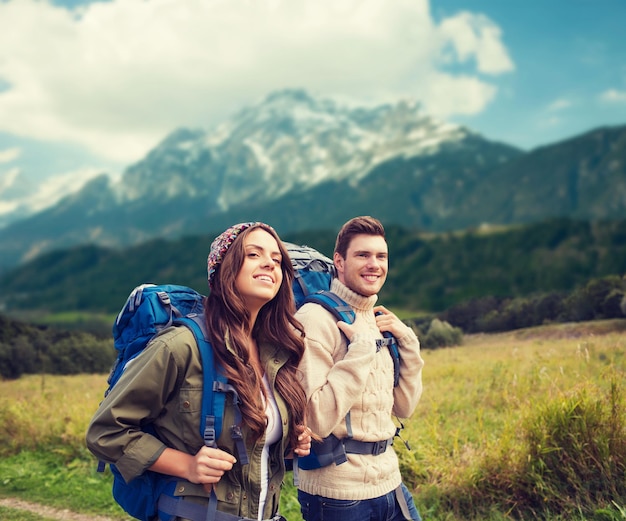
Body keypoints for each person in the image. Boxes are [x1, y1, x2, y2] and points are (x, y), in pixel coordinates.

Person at [86, 222, 312, 521]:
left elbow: (249, 446)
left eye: (277, 259)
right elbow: (105, 431)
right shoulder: (181, 345)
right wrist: (186, 465)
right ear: (224, 269)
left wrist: (286, 440)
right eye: (254, 254)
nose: (269, 263)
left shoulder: (276, 353)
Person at [295, 216, 425, 521]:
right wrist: (361, 351)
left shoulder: (378, 320)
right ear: (339, 262)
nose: (374, 265)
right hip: (337, 496)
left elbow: (404, 407)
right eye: (362, 255)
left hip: (390, 482)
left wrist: (408, 341)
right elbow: (313, 420)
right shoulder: (314, 319)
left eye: (381, 256)